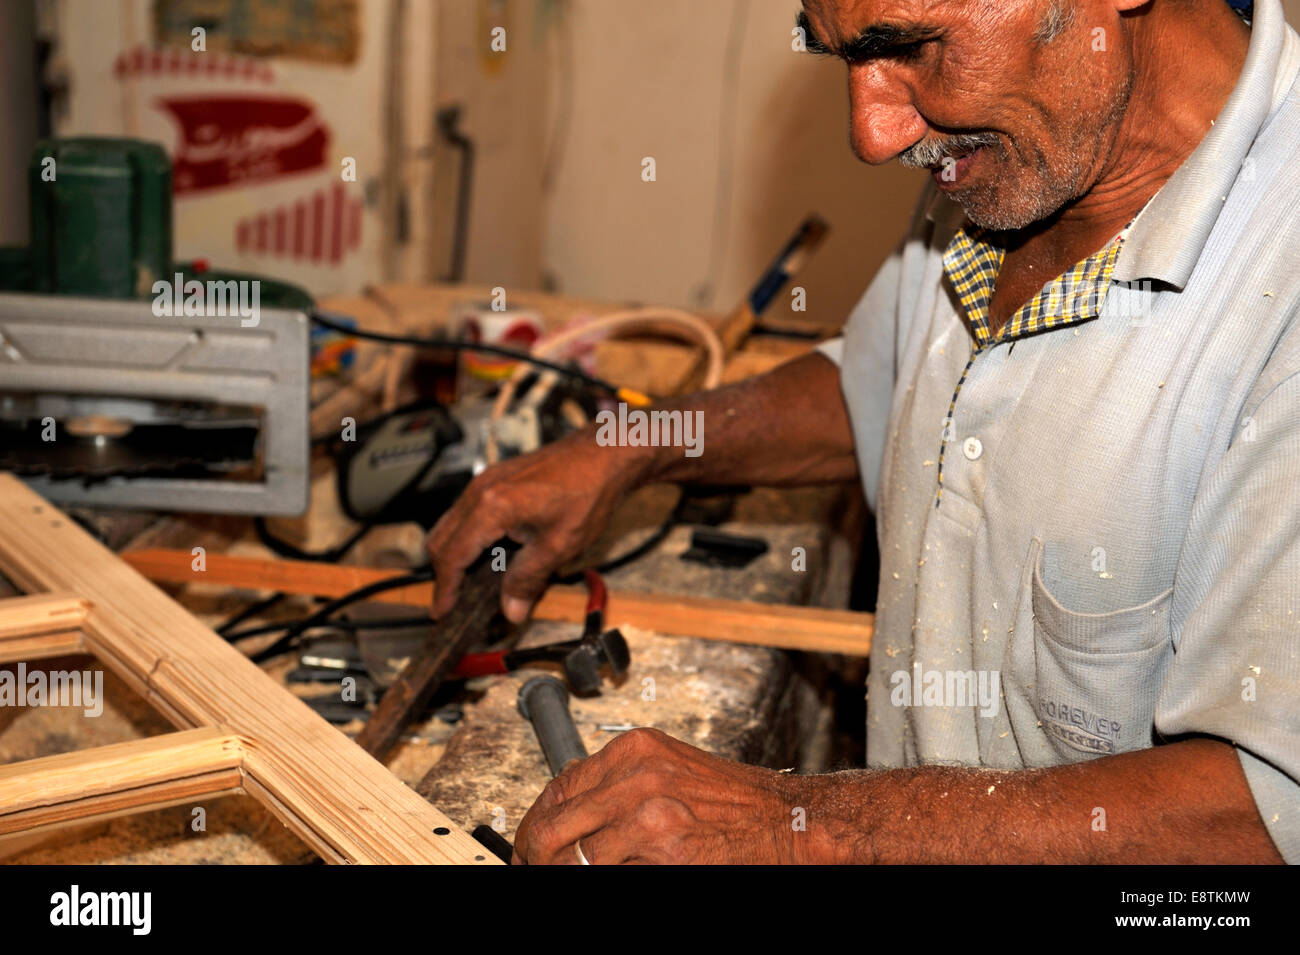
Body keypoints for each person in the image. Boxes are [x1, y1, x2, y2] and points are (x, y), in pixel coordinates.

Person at [427, 0, 1299, 864]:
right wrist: (633, 444)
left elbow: (1261, 817)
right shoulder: (1013, 157)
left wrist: (802, 827)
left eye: (914, 47)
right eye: (837, 52)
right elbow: (887, 383)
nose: (875, 133)